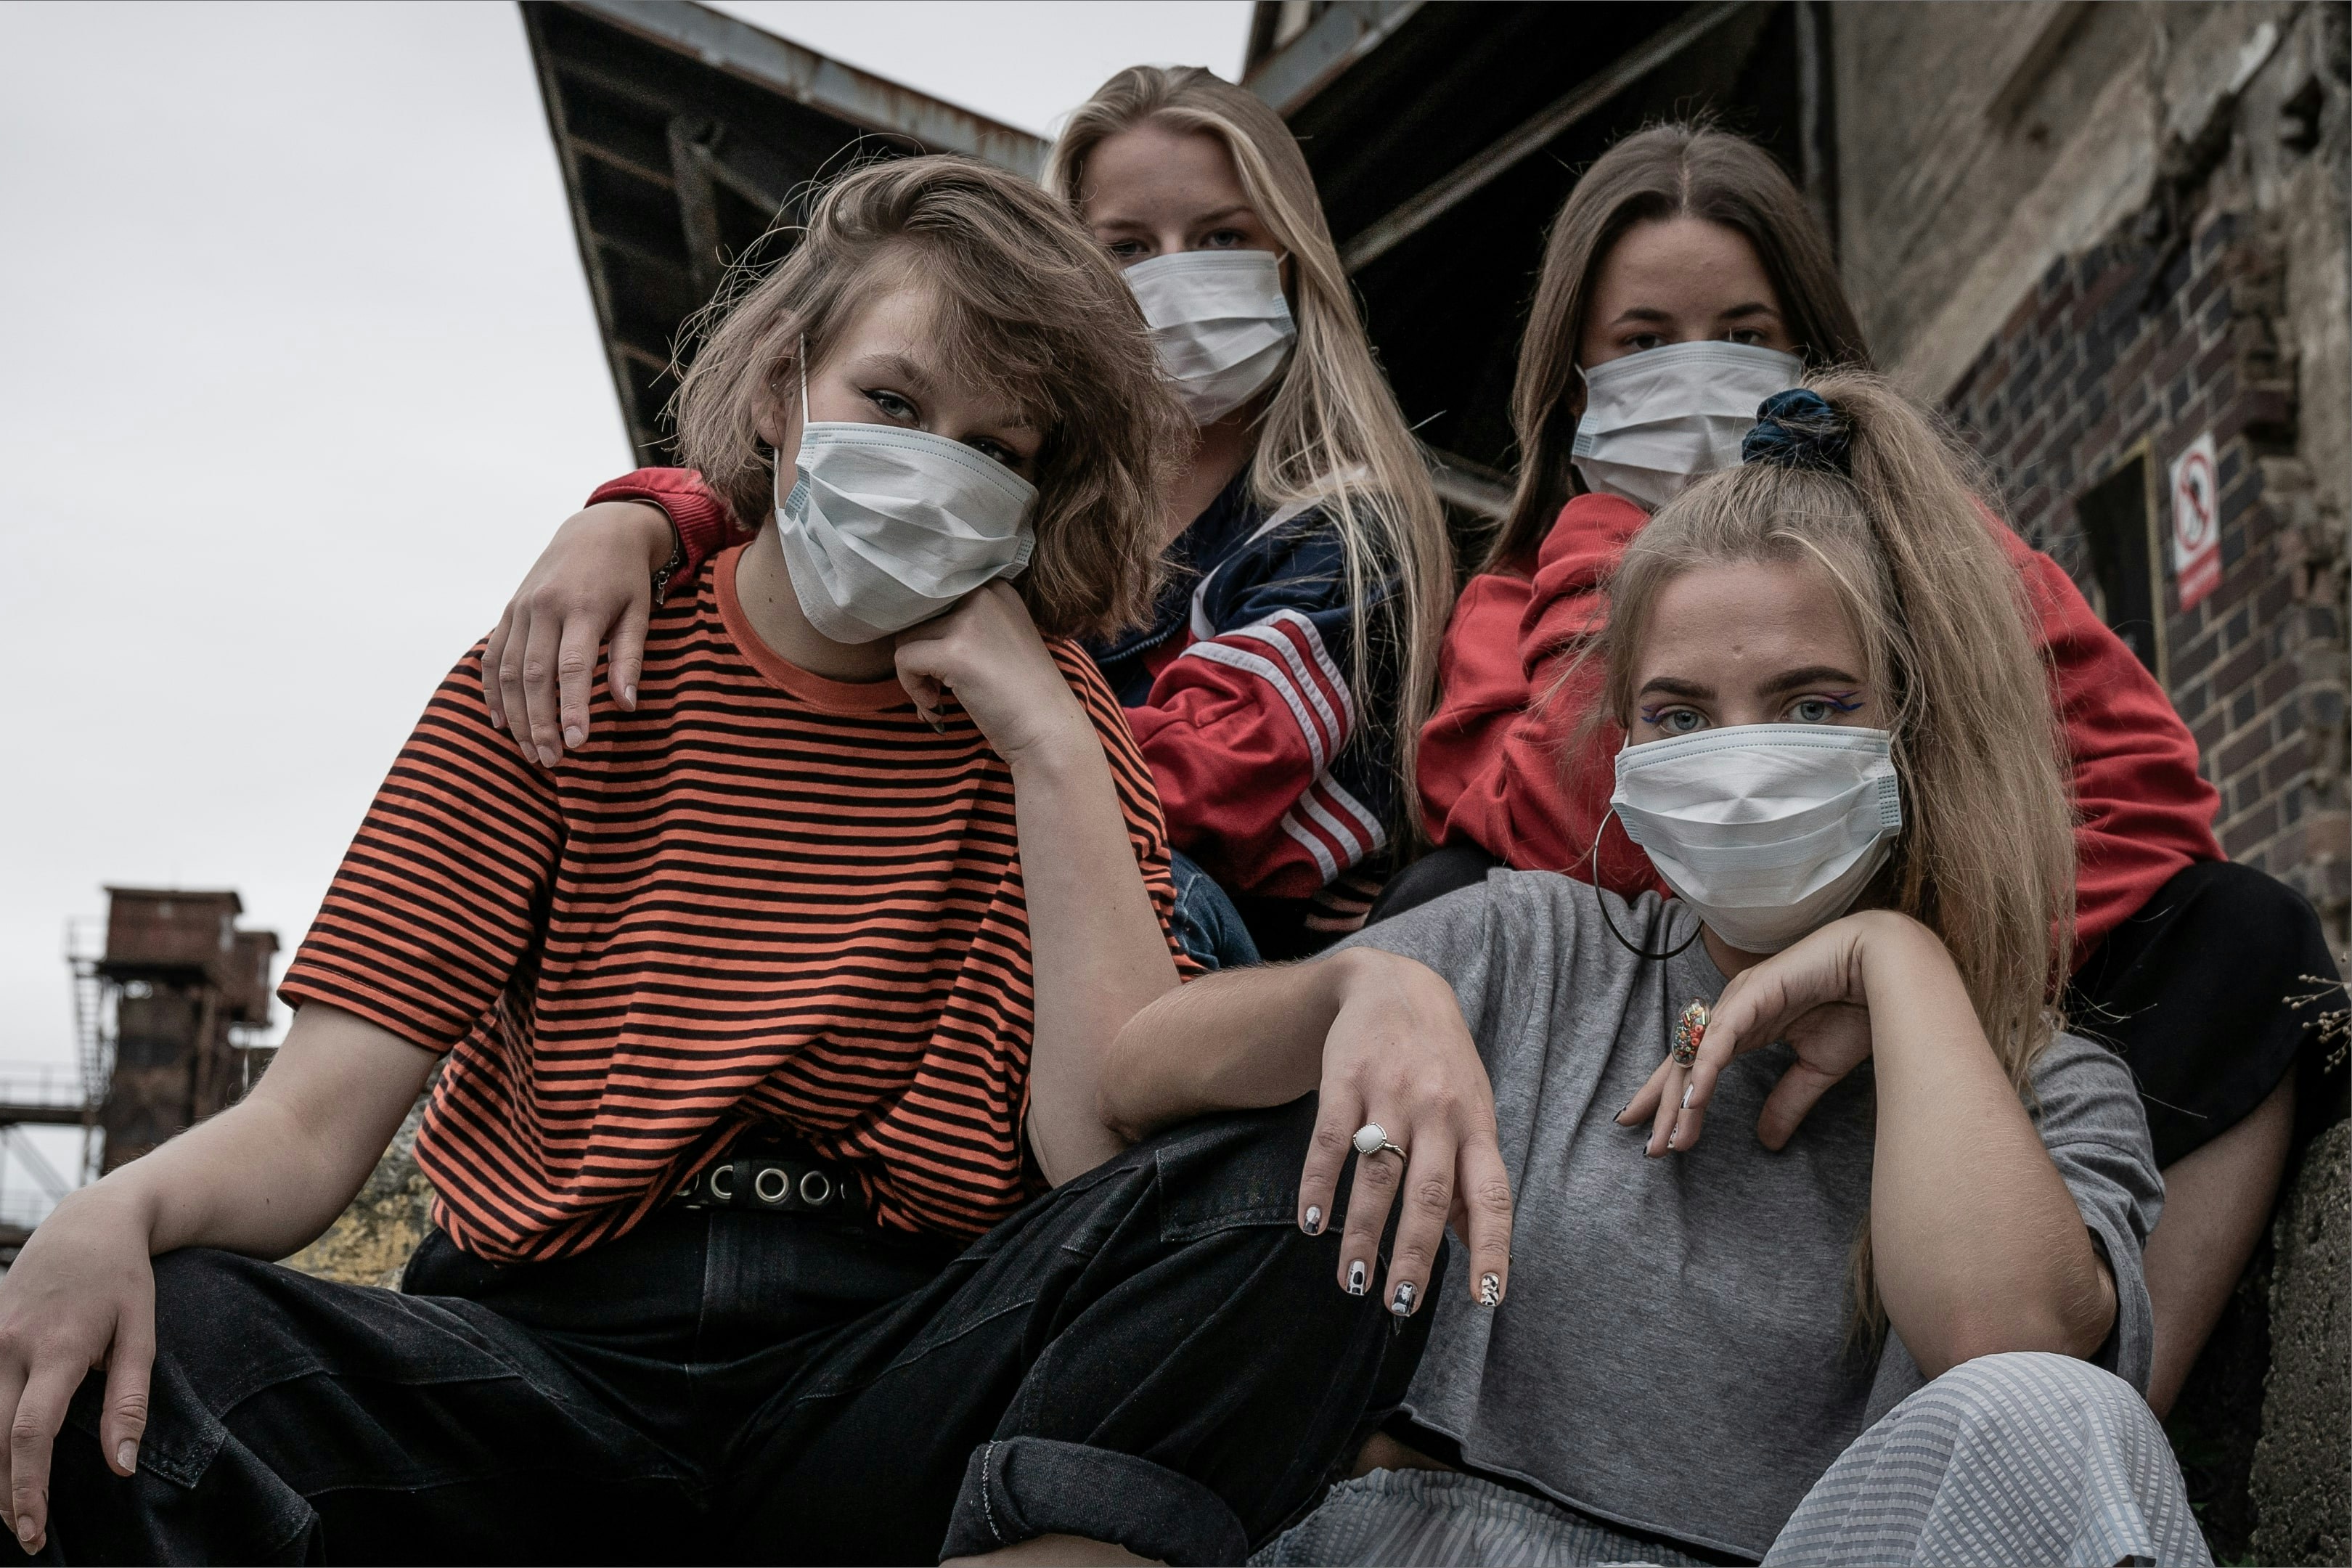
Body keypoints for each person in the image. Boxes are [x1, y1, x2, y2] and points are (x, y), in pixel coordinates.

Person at [0, 156, 1431, 1567]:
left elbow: (1098, 1147)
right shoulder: (565, 667)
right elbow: (312, 1131)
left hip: (890, 1370)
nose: (929, 473)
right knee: (132, 1349)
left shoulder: (1056, 720)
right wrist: (106, 1215)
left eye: (992, 452)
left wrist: (1042, 735)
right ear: (784, 392)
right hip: (543, 1363)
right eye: (894, 404)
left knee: (1290, 1194)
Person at [1105, 375, 2209, 1567]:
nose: (1736, 757)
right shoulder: (1532, 947)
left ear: (1915, 727)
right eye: (1680, 717)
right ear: (1621, 750)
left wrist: (1898, 961)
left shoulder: (2052, 1090)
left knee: (2073, 1411)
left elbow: (2008, 1353)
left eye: (1813, 703)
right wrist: (1356, 987)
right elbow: (1134, 1071)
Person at [1395, 119, 2340, 1416]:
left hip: (1934, 1002)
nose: (1697, 376)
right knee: (1428, 903)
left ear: (1814, 353)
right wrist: (1622, 551)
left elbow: (2148, 790)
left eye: (1744, 331)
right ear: (1573, 384)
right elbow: (1566, 827)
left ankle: (2109, 1431)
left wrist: (1928, 953)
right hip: (1657, 1024)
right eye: (1644, 345)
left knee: (2248, 934)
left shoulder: (1959, 562)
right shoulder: (1513, 601)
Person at [482, 66, 1455, 965]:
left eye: (1222, 239)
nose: (1172, 277)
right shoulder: (1006, 492)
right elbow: (793, 529)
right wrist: (636, 519)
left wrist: (1005, 742)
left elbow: (1206, 790)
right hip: (968, 869)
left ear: (1295, 259)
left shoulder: (1345, 539)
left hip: (1196, 940)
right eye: (1125, 246)